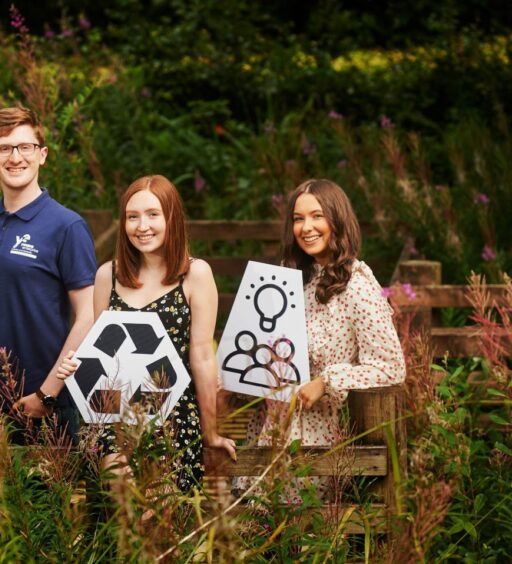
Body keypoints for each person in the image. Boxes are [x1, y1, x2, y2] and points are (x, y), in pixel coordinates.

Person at [58, 174, 237, 492]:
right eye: (132, 216)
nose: (142, 226)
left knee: (159, 516)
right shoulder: (107, 277)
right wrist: (74, 368)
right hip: (115, 415)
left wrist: (211, 431)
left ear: (172, 217)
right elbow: (104, 356)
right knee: (118, 488)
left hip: (173, 413)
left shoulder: (195, 274)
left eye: (153, 214)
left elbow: (202, 355)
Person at [236, 178, 406, 501]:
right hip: (277, 426)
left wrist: (327, 381)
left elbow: (391, 367)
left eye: (317, 216)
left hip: (324, 437)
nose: (306, 227)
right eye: (298, 219)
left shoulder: (357, 285)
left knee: (299, 536)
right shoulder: (293, 280)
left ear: (337, 220)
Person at [0, 106, 96, 445]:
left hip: (43, 403)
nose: (15, 157)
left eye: (25, 147)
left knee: (48, 498)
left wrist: (47, 393)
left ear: (42, 155)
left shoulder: (67, 226)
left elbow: (88, 316)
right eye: (4, 148)